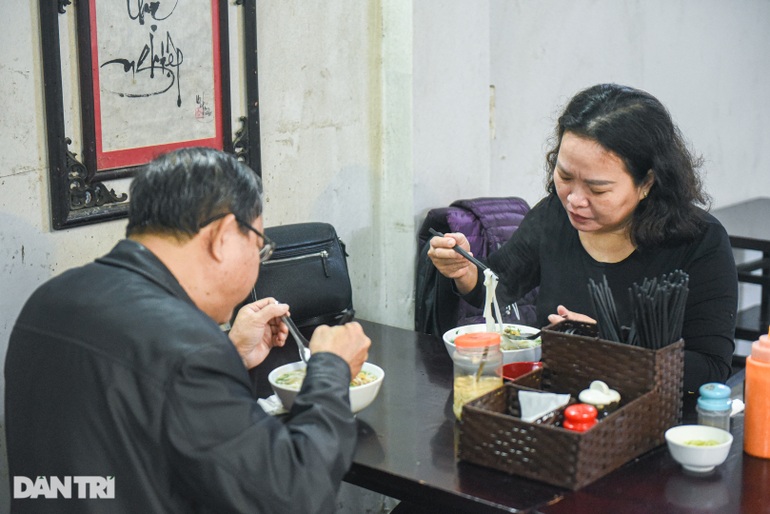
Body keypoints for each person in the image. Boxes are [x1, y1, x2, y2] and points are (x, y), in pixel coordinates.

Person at [5, 147, 371, 513]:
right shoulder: (188, 347)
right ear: (223, 236)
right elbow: (294, 496)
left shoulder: (48, 301)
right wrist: (330, 371)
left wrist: (228, 354)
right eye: (259, 247)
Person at [428, 83, 737, 401]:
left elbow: (711, 369)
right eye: (565, 177)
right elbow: (497, 286)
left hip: (649, 415)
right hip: (553, 403)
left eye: (597, 189)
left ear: (647, 182)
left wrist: (612, 347)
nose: (574, 200)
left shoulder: (699, 241)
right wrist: (465, 272)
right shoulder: (555, 215)